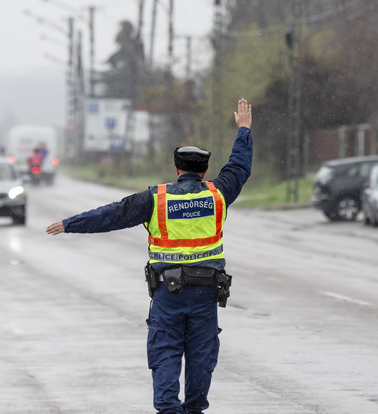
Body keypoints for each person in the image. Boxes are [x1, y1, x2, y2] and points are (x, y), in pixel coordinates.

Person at [46, 99, 253, 414]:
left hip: (168, 295)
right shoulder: (218, 194)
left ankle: (169, 409)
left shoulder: (156, 199)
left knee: (166, 352)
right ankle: (194, 409)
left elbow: (113, 215)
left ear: (176, 169)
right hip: (205, 295)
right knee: (201, 356)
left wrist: (71, 224)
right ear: (205, 171)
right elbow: (239, 167)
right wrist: (243, 130)